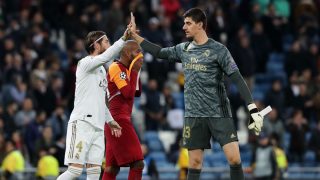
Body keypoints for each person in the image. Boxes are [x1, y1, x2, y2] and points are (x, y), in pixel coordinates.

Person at [129, 8, 264, 180]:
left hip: (219, 113)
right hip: (194, 115)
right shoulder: (183, 49)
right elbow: (158, 52)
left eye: (188, 23)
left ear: (200, 25)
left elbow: (237, 79)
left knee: (235, 159)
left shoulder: (219, 50)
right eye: (184, 23)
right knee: (193, 164)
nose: (184, 27)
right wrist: (135, 36)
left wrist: (252, 108)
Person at [56, 27, 130, 179]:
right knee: (74, 171)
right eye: (106, 41)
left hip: (98, 127)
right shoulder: (85, 63)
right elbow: (106, 57)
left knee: (95, 174)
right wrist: (123, 39)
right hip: (82, 123)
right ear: (96, 45)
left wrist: (110, 121)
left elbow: (101, 101)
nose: (109, 45)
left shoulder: (102, 71)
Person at [102, 40, 144, 180]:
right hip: (118, 120)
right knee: (138, 163)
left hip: (115, 121)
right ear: (127, 52)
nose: (140, 55)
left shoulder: (127, 70)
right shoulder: (116, 67)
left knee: (111, 168)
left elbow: (137, 92)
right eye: (137, 52)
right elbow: (127, 93)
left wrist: (135, 71)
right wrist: (135, 71)